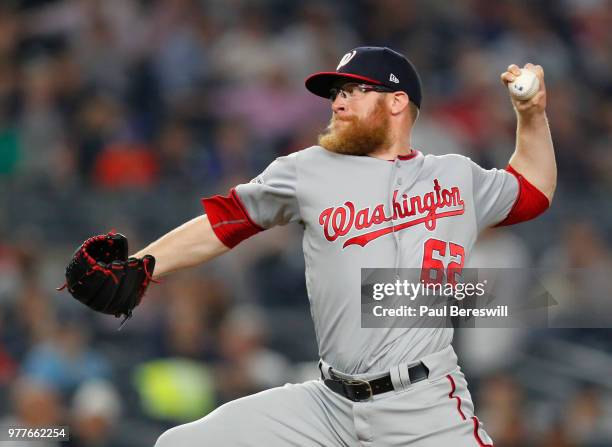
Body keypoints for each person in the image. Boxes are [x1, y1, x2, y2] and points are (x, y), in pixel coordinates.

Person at [81, 46, 558, 446]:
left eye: (353, 90)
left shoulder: (455, 174)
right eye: (336, 93)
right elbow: (225, 222)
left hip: (426, 406)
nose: (338, 102)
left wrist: (530, 115)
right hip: (327, 407)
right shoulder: (307, 169)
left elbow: (532, 191)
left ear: (396, 102)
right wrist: (145, 264)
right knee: (182, 443)